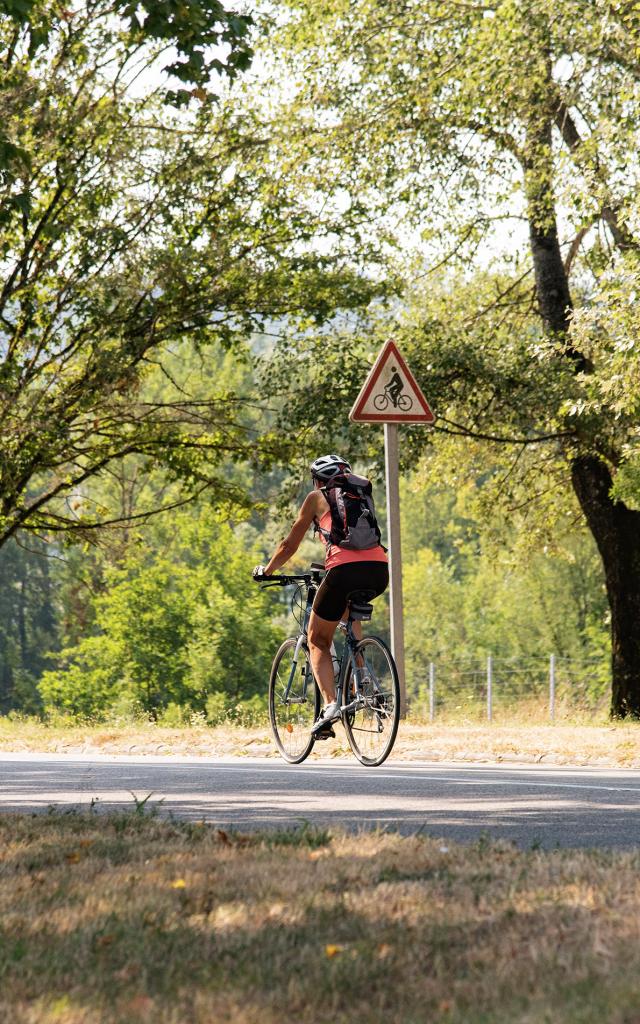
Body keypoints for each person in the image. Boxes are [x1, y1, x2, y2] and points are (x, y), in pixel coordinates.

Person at [253, 454, 388, 734]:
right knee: (348, 616)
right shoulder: (361, 492)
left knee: (317, 639)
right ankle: (363, 684)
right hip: (378, 570)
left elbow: (289, 545)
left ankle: (329, 707)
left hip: (343, 571)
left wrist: (268, 570)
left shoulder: (316, 497)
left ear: (318, 479)